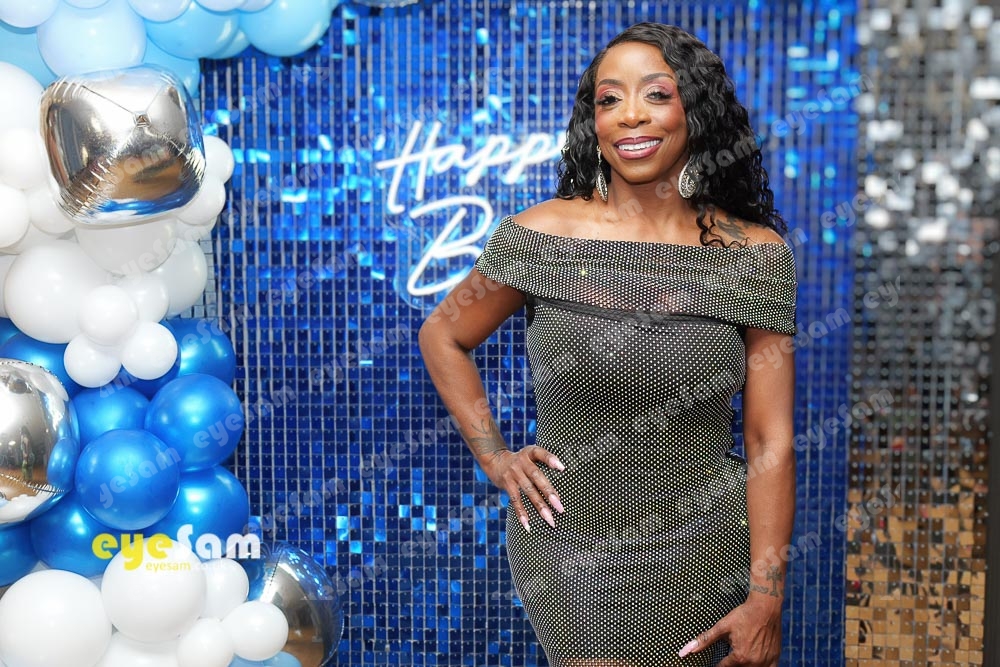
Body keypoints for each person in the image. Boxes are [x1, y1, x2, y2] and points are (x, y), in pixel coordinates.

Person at [419, 22, 797, 667]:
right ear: (592, 122)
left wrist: (767, 596)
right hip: (573, 546)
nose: (630, 115)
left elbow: (769, 440)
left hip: (709, 547)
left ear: (695, 111)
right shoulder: (541, 235)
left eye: (657, 94)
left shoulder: (755, 253)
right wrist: (496, 458)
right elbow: (442, 333)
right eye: (609, 99)